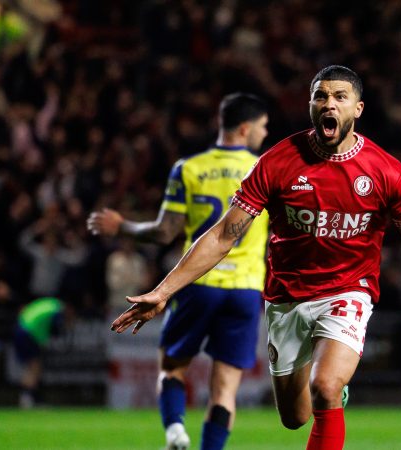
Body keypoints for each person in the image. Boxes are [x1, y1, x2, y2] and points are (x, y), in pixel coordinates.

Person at [111, 65, 401, 450]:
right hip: (286, 299)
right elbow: (224, 234)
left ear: (358, 108)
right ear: (311, 104)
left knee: (325, 387)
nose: (329, 103)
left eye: (340, 96)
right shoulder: (277, 162)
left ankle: (333, 388)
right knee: (295, 418)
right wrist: (163, 291)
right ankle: (328, 394)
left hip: (349, 292)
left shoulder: (385, 171)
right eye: (320, 96)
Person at [88, 92, 270, 450]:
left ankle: (174, 432)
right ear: (246, 128)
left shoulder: (189, 168)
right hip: (246, 289)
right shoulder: (264, 168)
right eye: (263, 127)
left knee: (172, 369)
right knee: (225, 392)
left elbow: (164, 232)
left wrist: (123, 226)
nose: (265, 134)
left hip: (196, 283)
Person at [12, 296, 68, 408]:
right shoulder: (57, 308)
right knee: (34, 367)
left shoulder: (48, 303)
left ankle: (27, 397)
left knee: (32, 367)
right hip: (27, 333)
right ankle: (28, 398)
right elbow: (56, 329)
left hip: (22, 330)